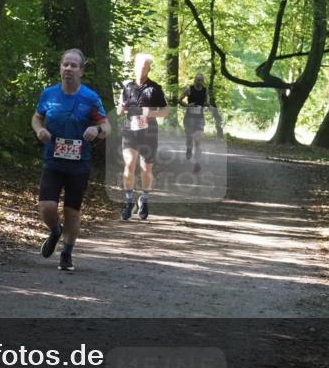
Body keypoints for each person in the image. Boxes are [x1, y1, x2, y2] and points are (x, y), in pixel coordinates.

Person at [32, 48, 109, 272]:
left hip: (79, 164)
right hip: (53, 161)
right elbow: (37, 118)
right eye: (65, 64)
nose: (68, 69)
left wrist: (97, 130)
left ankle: (66, 254)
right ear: (60, 68)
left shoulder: (90, 98)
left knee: (72, 211)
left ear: (81, 71)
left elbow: (106, 126)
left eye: (74, 65)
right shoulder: (49, 94)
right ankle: (55, 231)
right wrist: (39, 130)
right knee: (46, 206)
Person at [118, 53, 169, 220]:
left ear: (149, 69)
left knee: (146, 168)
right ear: (134, 68)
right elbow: (120, 111)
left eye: (145, 67)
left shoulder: (155, 88)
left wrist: (150, 113)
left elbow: (165, 111)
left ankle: (144, 199)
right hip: (130, 130)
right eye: (139, 66)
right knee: (129, 164)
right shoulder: (127, 87)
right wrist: (121, 107)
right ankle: (128, 201)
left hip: (149, 132)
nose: (141, 70)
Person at [178, 72, 213, 173]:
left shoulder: (205, 90)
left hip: (199, 118)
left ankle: (196, 164)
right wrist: (187, 105)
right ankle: (189, 149)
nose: (199, 82)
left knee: (198, 141)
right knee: (189, 139)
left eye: (201, 80)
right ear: (195, 80)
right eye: (198, 80)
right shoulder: (189, 89)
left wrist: (207, 104)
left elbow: (207, 101)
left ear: (203, 81)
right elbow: (179, 100)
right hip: (189, 118)